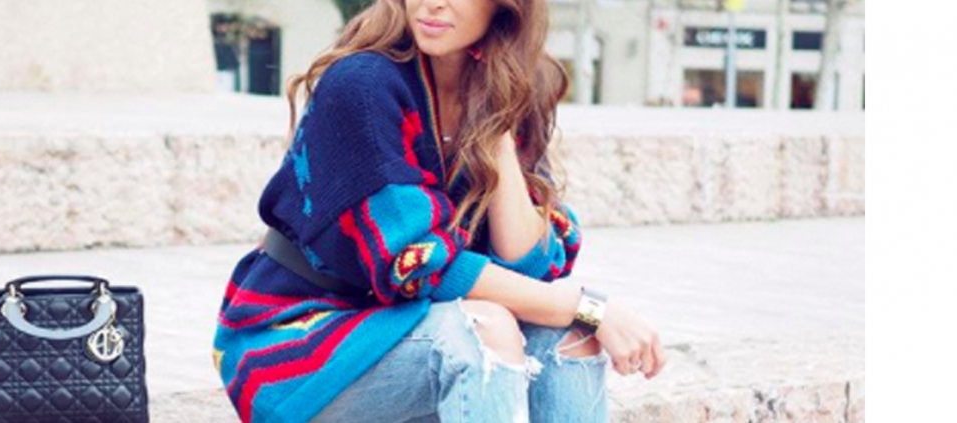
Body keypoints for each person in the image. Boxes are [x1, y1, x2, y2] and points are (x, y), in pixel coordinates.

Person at [211, 1, 666, 422]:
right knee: (485, 329)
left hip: (410, 329)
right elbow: (417, 265)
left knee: (572, 337)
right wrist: (589, 306)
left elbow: (531, 267)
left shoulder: (508, 87)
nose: (433, 3)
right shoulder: (363, 85)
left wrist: (495, 127)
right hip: (298, 342)